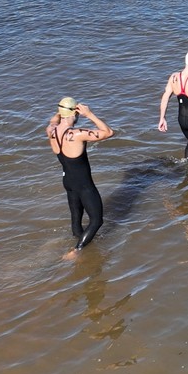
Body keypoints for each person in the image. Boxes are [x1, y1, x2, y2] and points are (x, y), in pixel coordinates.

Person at [46, 97, 114, 257]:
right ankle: (76, 251)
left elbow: (53, 121)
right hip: (84, 185)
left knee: (76, 219)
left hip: (68, 182)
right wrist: (89, 114)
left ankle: (82, 244)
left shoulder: (51, 131)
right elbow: (108, 132)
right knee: (97, 221)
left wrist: (62, 111)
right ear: (74, 113)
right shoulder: (77, 134)